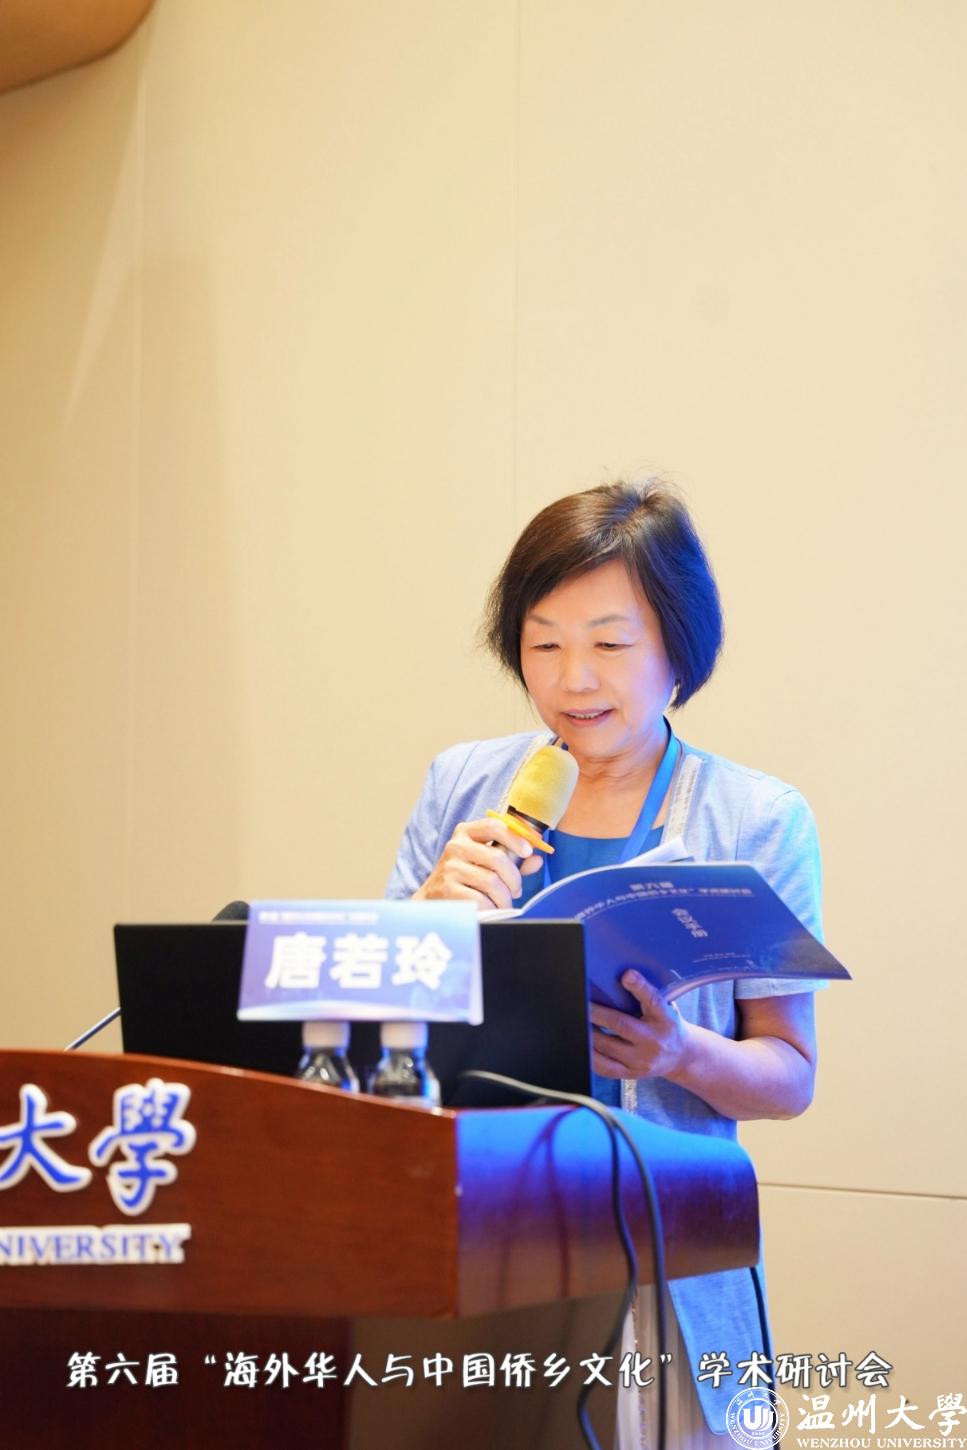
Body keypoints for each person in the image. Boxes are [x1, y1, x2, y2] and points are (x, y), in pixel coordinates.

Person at [386, 479, 825, 1447]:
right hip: (481, 1239)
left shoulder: (755, 819)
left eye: (610, 645)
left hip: (663, 1254)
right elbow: (365, 1031)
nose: (573, 680)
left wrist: (677, 1054)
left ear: (678, 649)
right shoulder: (461, 783)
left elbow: (789, 1075)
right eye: (542, 645)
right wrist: (423, 921)